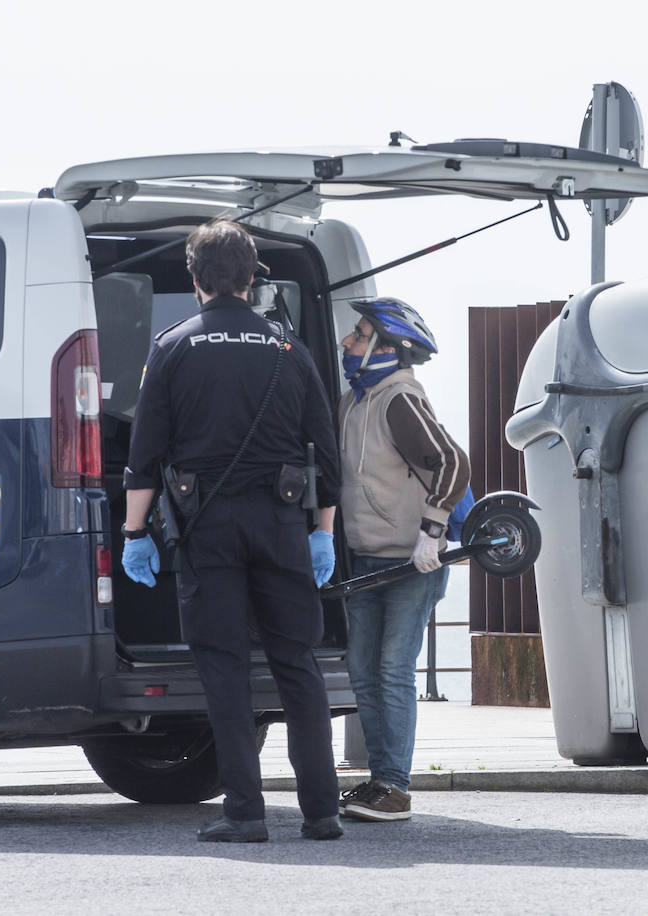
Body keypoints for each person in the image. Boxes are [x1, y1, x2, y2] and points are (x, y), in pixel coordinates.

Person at [120, 220, 344, 843]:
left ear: (195, 281)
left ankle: (244, 812)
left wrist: (137, 532)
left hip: (208, 528)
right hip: (280, 524)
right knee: (297, 664)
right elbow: (326, 460)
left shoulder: (172, 349)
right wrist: (321, 532)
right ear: (252, 279)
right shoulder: (288, 349)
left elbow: (145, 457)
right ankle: (321, 811)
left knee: (223, 669)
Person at [334, 297, 471, 822]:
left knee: (391, 669)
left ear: (389, 349)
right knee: (363, 671)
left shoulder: (398, 397)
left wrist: (432, 533)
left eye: (360, 334)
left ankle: (394, 786)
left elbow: (452, 462)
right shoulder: (353, 401)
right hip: (366, 562)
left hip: (413, 565)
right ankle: (378, 781)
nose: (349, 341)